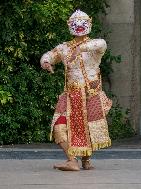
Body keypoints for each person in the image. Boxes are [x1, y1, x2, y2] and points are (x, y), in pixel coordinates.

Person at [40, 10, 112, 171]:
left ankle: (86, 161)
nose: (79, 26)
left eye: (82, 23)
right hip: (70, 94)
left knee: (88, 127)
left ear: (88, 24)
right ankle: (72, 160)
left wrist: (81, 48)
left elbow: (102, 43)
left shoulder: (94, 46)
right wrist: (45, 62)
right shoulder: (65, 47)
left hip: (90, 93)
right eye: (76, 23)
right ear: (70, 26)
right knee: (59, 125)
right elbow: (50, 55)